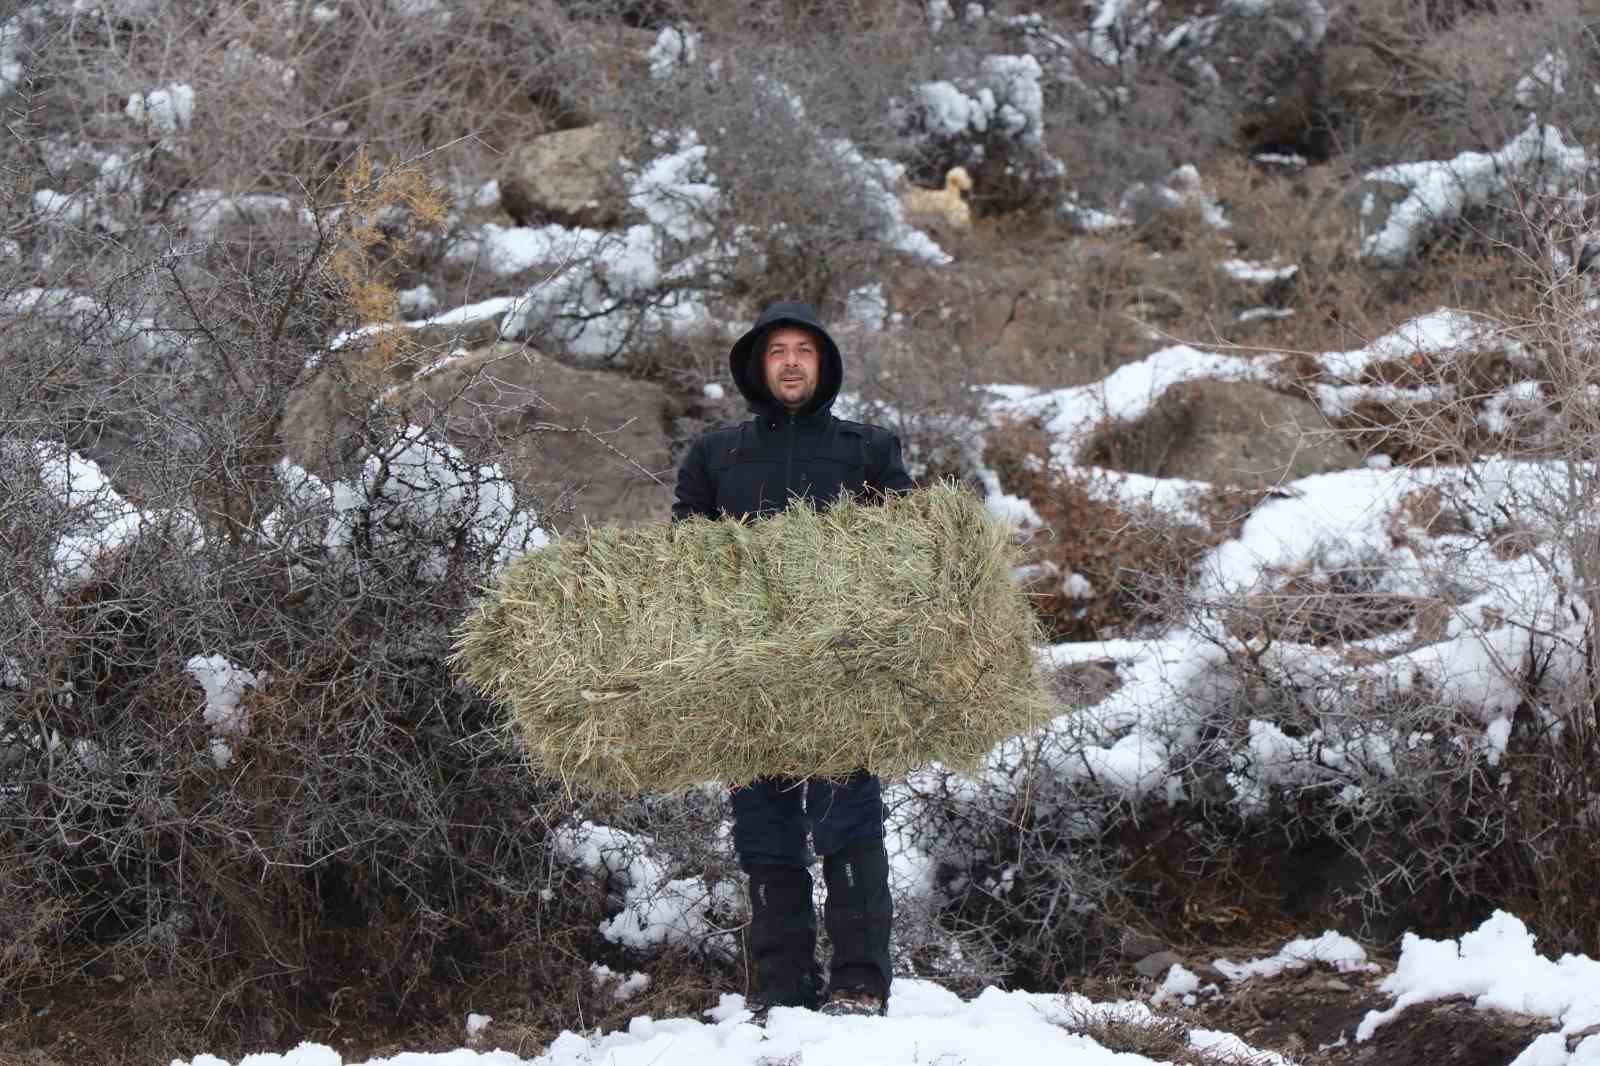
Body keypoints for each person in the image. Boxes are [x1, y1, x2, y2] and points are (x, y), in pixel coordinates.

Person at [672, 300, 914, 1018]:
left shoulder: (868, 447)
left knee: (848, 817)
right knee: (763, 827)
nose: (789, 361)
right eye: (776, 350)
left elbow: (909, 547)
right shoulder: (715, 455)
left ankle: (860, 982)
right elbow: (687, 557)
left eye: (803, 350)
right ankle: (781, 988)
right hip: (748, 671)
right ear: (757, 364)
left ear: (824, 364)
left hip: (838, 666)